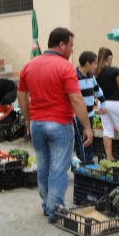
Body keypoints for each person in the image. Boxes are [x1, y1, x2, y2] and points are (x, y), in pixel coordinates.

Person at [17, 28, 92, 223]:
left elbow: (21, 95)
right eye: (71, 46)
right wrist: (87, 126)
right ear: (61, 45)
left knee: (43, 165)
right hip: (59, 124)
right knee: (58, 168)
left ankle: (47, 204)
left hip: (37, 124)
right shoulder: (65, 67)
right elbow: (76, 99)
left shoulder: (29, 65)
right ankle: (55, 209)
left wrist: (27, 118)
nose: (71, 50)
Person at [74, 51, 106, 164]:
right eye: (95, 63)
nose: (96, 66)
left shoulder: (91, 76)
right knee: (83, 139)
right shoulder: (75, 76)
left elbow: (97, 90)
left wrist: (103, 103)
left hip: (90, 114)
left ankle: (82, 161)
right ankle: (86, 162)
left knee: (88, 138)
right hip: (79, 116)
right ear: (88, 63)